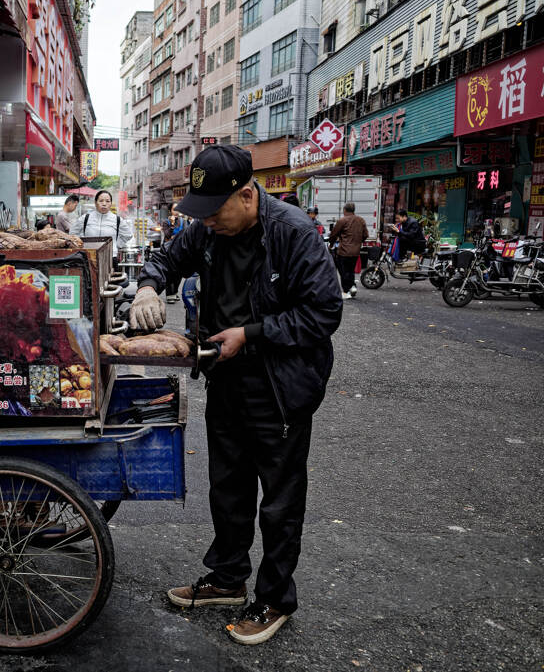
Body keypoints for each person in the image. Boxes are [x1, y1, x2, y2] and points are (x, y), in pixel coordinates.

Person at [130, 145, 342, 646]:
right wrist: (147, 286)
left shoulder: (292, 232)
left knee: (279, 501)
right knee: (228, 487)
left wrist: (251, 334)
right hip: (224, 377)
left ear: (247, 195)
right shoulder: (208, 229)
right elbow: (166, 257)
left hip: (279, 386)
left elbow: (324, 313)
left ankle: (274, 599)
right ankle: (227, 578)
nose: (208, 223)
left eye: (215, 211)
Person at [71, 190, 134, 262]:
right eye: (101, 201)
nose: (104, 204)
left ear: (111, 203)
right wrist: (82, 244)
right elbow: (73, 233)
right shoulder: (86, 218)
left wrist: (116, 245)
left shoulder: (117, 220)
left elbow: (128, 235)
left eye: (107, 201)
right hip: (88, 257)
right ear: (95, 202)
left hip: (110, 257)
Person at [327, 202, 368, 300]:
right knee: (350, 270)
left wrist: (331, 245)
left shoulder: (342, 220)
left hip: (344, 251)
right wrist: (358, 242)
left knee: (343, 271)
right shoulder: (361, 220)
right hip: (355, 251)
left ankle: (346, 291)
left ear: (344, 210)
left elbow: (333, 234)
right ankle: (352, 287)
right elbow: (366, 234)